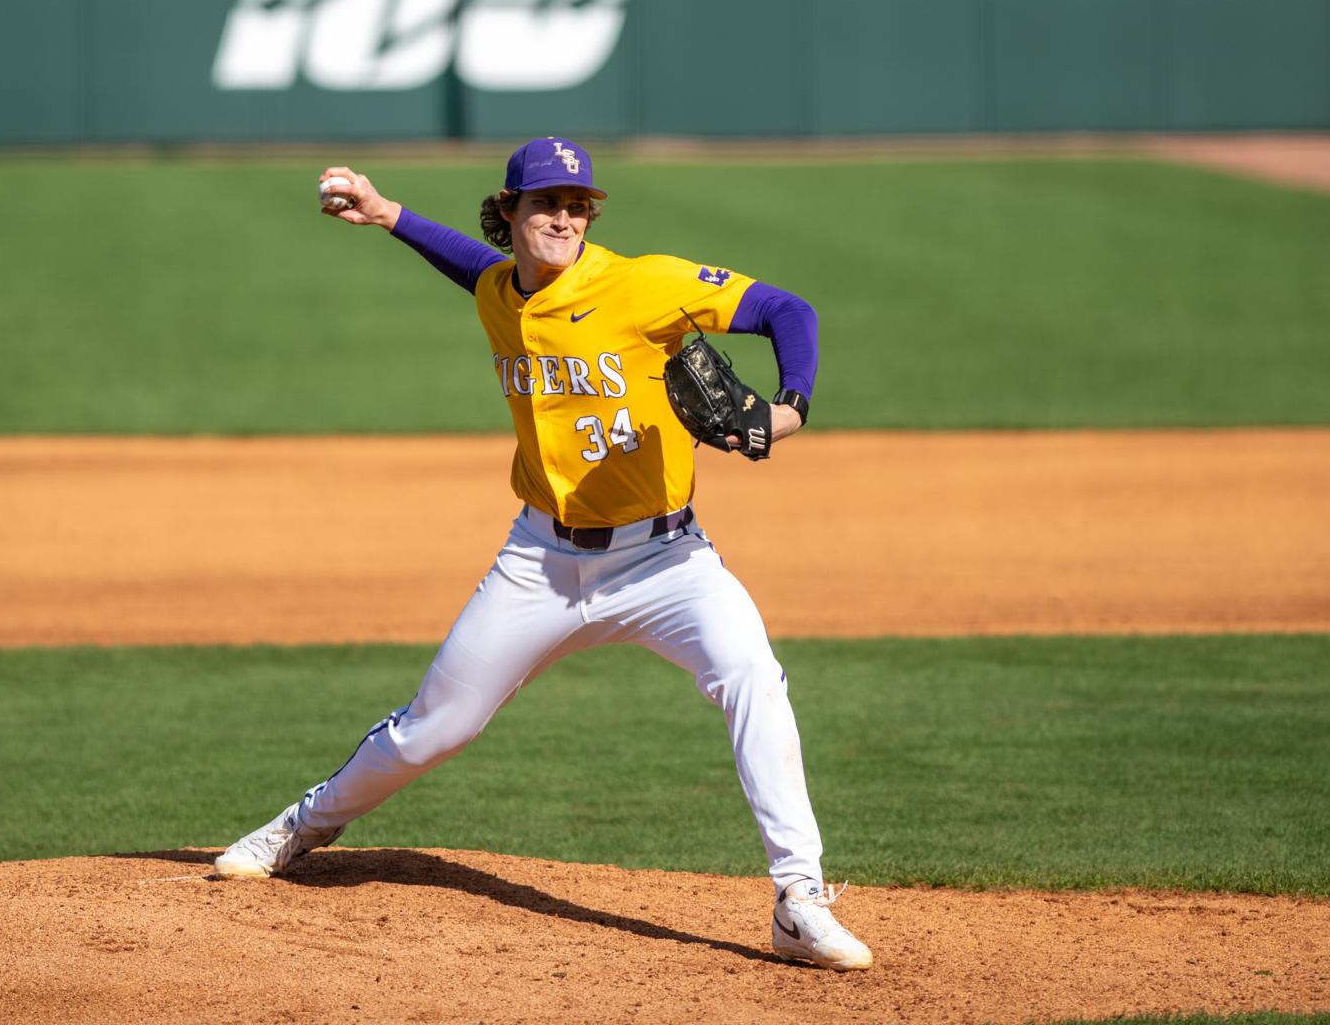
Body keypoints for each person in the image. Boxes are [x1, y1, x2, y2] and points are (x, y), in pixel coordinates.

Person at [212, 138, 872, 972]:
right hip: (541, 565)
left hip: (669, 563)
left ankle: (799, 899)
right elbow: (474, 271)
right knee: (432, 732)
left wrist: (789, 409)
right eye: (546, 203)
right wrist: (388, 216)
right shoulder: (500, 291)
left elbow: (790, 310)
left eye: (578, 204)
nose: (564, 217)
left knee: (753, 677)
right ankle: (300, 827)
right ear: (511, 212)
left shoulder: (643, 283)